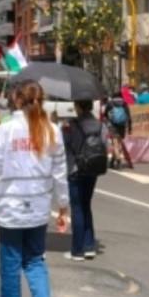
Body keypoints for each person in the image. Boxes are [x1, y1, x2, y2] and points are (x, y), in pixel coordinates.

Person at [0, 80, 68, 297]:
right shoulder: (52, 129)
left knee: (10, 266)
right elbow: (60, 172)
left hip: (10, 206)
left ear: (18, 100)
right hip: (39, 206)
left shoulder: (6, 129)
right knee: (35, 261)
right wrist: (63, 205)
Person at [62, 100, 107, 261]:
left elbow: (64, 145)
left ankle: (77, 250)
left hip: (76, 169)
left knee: (77, 208)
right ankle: (89, 246)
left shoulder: (72, 125)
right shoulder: (100, 125)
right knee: (86, 205)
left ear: (78, 107)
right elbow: (104, 144)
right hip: (93, 168)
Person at [103, 95, 131, 169]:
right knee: (119, 144)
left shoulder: (110, 103)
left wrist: (108, 119)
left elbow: (105, 114)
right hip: (122, 126)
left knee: (115, 144)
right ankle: (112, 161)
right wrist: (129, 128)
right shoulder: (124, 103)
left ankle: (118, 160)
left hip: (113, 126)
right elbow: (128, 116)